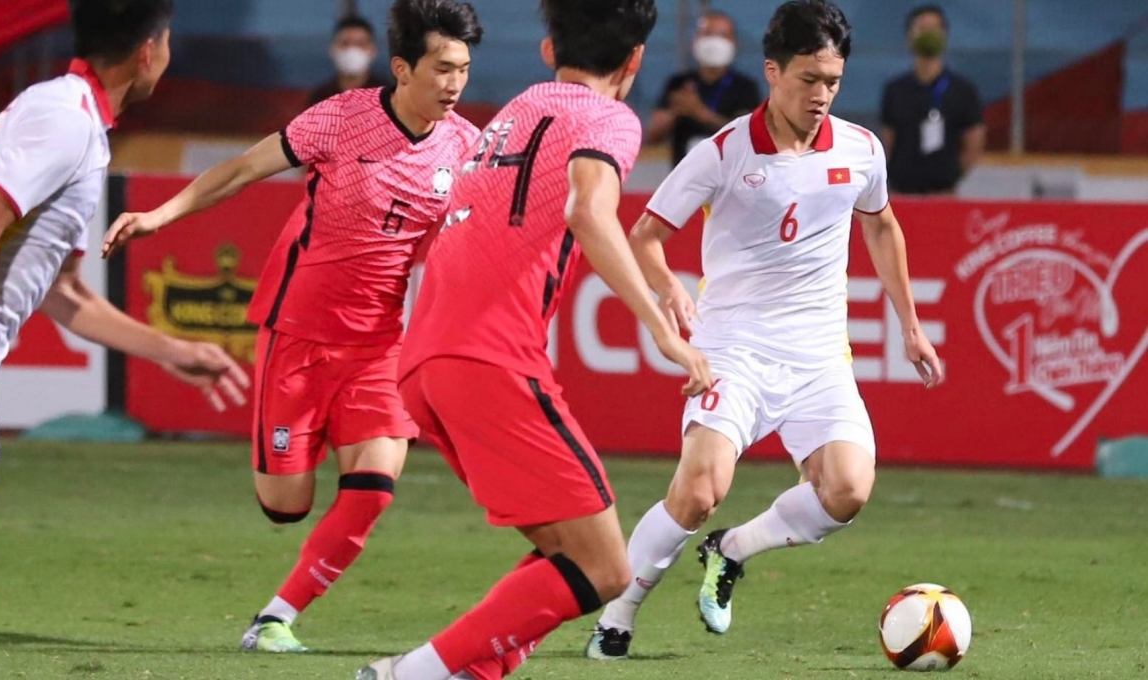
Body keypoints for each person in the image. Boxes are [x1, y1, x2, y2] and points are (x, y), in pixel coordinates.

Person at [0, 2, 251, 678]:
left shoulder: (74, 123)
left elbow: (64, 295)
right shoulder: (63, 121)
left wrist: (172, 351)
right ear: (148, 50)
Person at [101, 0, 482, 656]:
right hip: (299, 333)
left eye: (464, 69)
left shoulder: (465, 147)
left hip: (380, 345)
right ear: (401, 67)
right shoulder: (341, 119)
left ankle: (275, 616)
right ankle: (298, 464)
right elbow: (245, 168)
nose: (455, 83)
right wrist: (162, 215)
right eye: (442, 68)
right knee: (286, 504)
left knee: (373, 490)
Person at [357, 1, 715, 679]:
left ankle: (472, 672)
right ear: (636, 60)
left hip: (425, 360)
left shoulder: (517, 108)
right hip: (488, 358)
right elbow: (589, 210)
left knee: (567, 550)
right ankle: (410, 674)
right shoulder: (608, 116)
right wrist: (662, 328)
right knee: (608, 567)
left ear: (549, 50)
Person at [585, 0, 945, 660]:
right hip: (733, 350)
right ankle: (621, 608)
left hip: (818, 356)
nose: (821, 95)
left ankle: (733, 550)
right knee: (697, 492)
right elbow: (645, 235)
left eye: (833, 82)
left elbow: (881, 225)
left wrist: (911, 325)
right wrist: (668, 288)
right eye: (808, 79)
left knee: (848, 490)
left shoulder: (862, 150)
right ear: (773, 72)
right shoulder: (724, 151)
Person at [880, 4, 984, 195]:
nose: (929, 34)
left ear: (944, 36)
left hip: (944, 193)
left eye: (935, 29)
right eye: (922, 28)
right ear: (909, 37)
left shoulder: (963, 90)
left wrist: (950, 177)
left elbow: (973, 144)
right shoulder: (895, 90)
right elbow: (888, 142)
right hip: (901, 193)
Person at [646, 9, 762, 167]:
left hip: (730, 181)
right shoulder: (679, 84)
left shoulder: (745, 88)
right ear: (695, 40)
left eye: (722, 36)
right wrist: (674, 112)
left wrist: (701, 113)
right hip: (684, 179)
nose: (714, 41)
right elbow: (652, 137)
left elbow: (749, 136)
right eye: (708, 34)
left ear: (734, 42)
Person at [308, 14, 391, 106]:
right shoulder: (321, 96)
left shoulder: (388, 96)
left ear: (373, 51)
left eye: (360, 44)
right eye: (345, 43)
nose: (352, 50)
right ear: (331, 49)